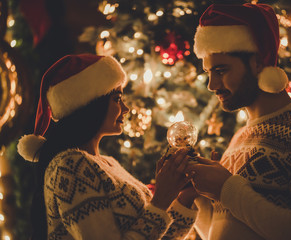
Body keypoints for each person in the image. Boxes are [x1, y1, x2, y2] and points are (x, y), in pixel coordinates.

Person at [185, 3, 291, 240]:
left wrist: (227, 190)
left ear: (258, 62)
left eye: (221, 70)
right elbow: (223, 233)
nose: (212, 85)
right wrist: (197, 195)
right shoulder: (239, 138)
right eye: (208, 72)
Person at [17, 54, 197, 240]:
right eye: (117, 98)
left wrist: (185, 196)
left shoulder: (108, 164)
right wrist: (160, 200)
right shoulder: (70, 166)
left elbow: (158, 234)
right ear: (90, 102)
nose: (125, 109)